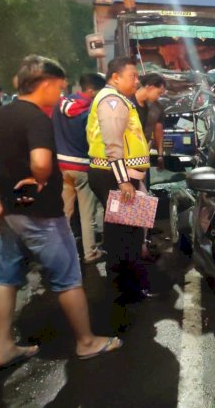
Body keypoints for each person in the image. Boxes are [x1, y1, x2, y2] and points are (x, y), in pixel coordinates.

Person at [0, 55, 122, 368]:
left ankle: (4, 347)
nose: (60, 93)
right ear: (45, 83)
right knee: (68, 278)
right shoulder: (36, 118)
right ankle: (86, 341)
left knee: (6, 278)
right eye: (58, 86)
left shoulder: (3, 115)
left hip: (8, 214)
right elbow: (42, 162)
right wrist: (39, 178)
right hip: (41, 214)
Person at [87, 57, 153, 302]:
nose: (137, 81)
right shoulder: (112, 101)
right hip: (115, 176)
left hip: (116, 175)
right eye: (132, 76)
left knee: (123, 231)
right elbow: (112, 143)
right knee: (126, 234)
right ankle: (127, 288)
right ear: (115, 77)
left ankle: (124, 284)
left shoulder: (115, 99)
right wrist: (124, 181)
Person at [52, 73, 106, 265]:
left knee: (65, 213)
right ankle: (90, 252)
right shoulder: (91, 111)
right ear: (91, 90)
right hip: (82, 166)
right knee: (86, 214)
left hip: (62, 165)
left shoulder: (58, 106)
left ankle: (65, 252)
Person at [133, 73, 167, 174]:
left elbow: (158, 130)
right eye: (159, 93)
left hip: (141, 155)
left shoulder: (154, 108)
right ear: (150, 87)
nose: (159, 97)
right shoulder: (128, 103)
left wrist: (160, 155)